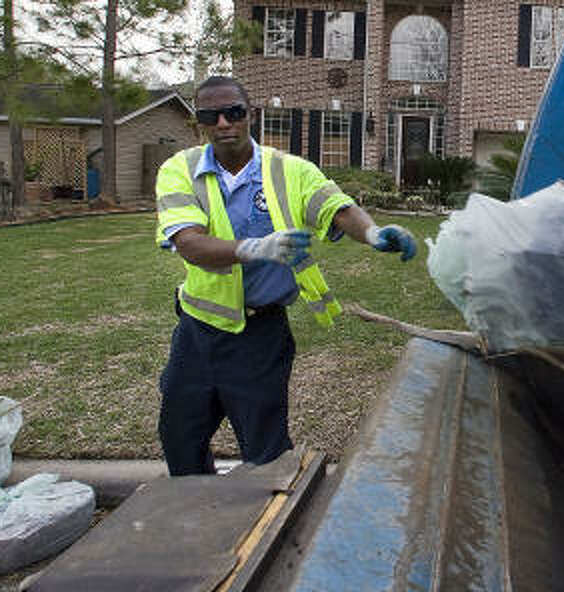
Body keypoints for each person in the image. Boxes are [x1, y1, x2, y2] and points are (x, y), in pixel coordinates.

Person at [153, 75, 416, 476]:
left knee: (266, 452)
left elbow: (337, 208)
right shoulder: (178, 170)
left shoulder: (291, 171)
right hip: (197, 333)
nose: (223, 122)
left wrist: (374, 232)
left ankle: (263, 527)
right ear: (198, 123)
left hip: (260, 336)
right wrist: (253, 248)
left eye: (234, 112)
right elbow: (188, 241)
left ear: (251, 116)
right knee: (180, 438)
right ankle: (199, 519)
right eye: (211, 115)